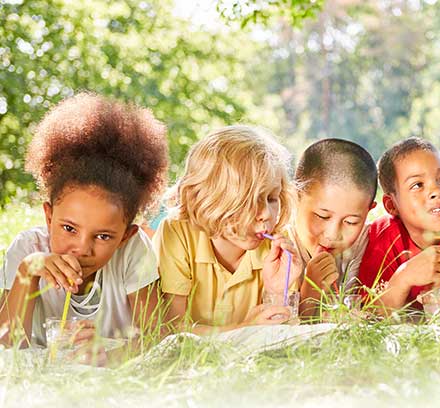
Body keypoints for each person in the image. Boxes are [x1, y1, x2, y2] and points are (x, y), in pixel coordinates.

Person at [1, 93, 169, 353]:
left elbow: (157, 338)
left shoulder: (132, 252)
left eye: (103, 236)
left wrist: (109, 355)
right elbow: (5, 347)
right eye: (69, 229)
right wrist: (28, 272)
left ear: (125, 236)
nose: (82, 248)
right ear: (49, 217)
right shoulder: (27, 248)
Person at [153, 126, 301, 333]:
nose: (266, 214)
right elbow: (172, 329)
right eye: (250, 201)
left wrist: (276, 292)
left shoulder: (278, 247)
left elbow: (282, 336)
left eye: (271, 198)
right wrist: (244, 328)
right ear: (210, 200)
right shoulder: (177, 233)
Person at [357, 136, 440, 315]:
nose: (438, 190)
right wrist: (404, 277)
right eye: (417, 185)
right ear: (392, 205)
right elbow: (370, 314)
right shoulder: (383, 237)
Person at [291, 138, 378, 319]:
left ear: (368, 211)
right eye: (322, 216)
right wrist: (310, 292)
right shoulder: (276, 246)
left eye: (351, 222)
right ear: (295, 197)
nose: (332, 235)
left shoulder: (367, 246)